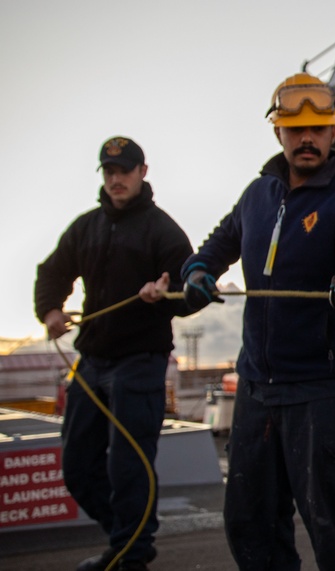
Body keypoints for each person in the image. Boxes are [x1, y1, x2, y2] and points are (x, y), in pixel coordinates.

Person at [169, 72, 335, 570]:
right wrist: (198, 271)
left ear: (334, 133)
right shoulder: (256, 197)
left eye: (317, 128)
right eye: (295, 129)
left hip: (324, 393)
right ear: (278, 133)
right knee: (251, 529)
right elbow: (214, 247)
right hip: (257, 391)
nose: (306, 138)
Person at [34, 136, 194, 571]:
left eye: (124, 171)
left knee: (129, 465)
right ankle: (126, 539)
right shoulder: (86, 226)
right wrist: (49, 309)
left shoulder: (163, 230)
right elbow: (52, 271)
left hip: (140, 361)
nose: (116, 179)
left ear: (143, 172)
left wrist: (166, 294)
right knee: (77, 466)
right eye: (109, 172)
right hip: (93, 360)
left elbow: (191, 291)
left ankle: (131, 554)